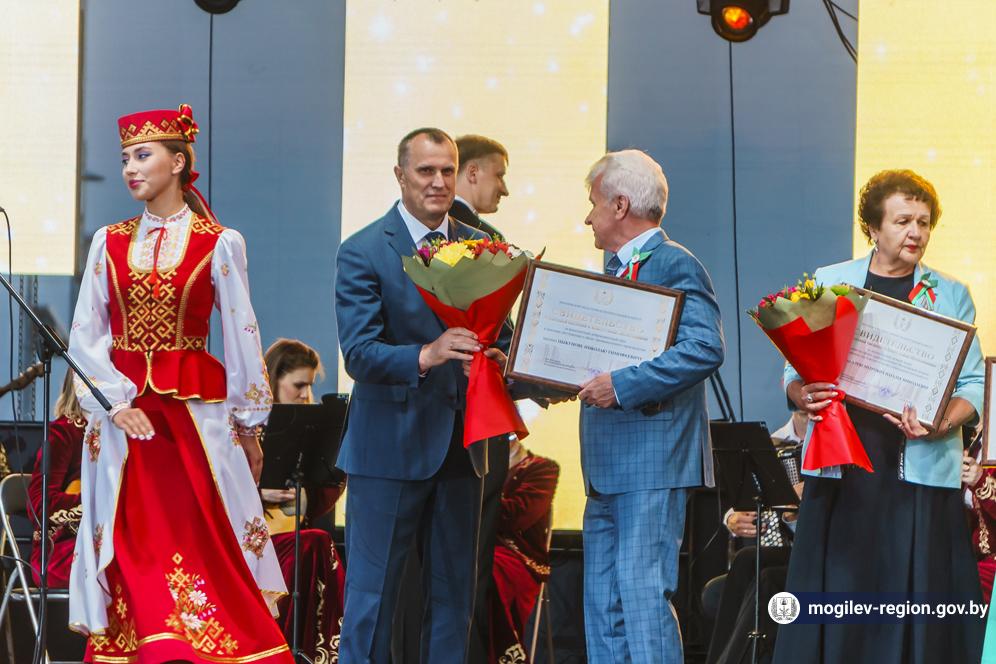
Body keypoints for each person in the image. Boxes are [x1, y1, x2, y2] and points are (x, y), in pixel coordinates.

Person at [67, 104, 291, 662]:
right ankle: (141, 648)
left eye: (143, 155)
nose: (130, 168)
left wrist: (248, 427)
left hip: (192, 420)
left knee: (200, 537)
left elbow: (241, 334)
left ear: (178, 161)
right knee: (130, 539)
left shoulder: (220, 242)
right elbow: (85, 333)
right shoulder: (108, 241)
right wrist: (113, 403)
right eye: (125, 158)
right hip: (124, 422)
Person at [772, 169, 986, 663]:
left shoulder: (951, 293)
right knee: (842, 591)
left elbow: (974, 384)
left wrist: (941, 422)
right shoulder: (831, 281)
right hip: (844, 462)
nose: (916, 232)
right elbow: (793, 369)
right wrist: (803, 394)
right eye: (903, 221)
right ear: (873, 227)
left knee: (916, 601)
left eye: (924, 223)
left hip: (919, 466)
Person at [334, 127, 512, 664]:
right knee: (372, 600)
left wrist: (501, 360)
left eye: (447, 171)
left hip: (465, 448)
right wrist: (427, 354)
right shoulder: (363, 249)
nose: (438, 182)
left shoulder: (484, 246)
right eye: (425, 171)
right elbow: (359, 354)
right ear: (400, 175)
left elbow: (504, 338)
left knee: (456, 600)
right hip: (388, 449)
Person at [574, 149, 725, 663]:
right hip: (606, 464)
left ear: (619, 205)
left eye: (593, 204)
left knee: (641, 601)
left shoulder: (674, 262)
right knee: (603, 607)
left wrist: (621, 386)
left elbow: (704, 348)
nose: (588, 217)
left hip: (652, 460)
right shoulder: (612, 271)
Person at [451, 132, 512, 662]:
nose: (504, 189)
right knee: (465, 563)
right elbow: (502, 338)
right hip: (473, 424)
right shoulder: (480, 240)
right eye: (499, 174)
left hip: (434, 426)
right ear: (471, 173)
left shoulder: (420, 235)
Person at [262, 338, 346, 661]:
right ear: (274, 380)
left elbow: (330, 480)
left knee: (313, 543)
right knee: (313, 544)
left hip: (293, 538)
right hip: (252, 543)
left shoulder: (312, 428)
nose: (305, 394)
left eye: (309, 386)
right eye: (298, 385)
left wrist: (306, 498)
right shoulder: (244, 426)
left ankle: (314, 651)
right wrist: (258, 494)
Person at [489, 438, 559, 663]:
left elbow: (516, 517)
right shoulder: (470, 469)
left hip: (517, 557)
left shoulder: (541, 469)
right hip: (474, 552)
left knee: (486, 573)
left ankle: (505, 656)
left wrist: (482, 491)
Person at [29, 370, 86, 589]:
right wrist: (98, 503)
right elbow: (39, 505)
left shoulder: (119, 435)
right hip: (60, 551)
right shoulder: (63, 433)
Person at [450, 134, 509, 241]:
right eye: (499, 176)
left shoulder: (425, 222)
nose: (505, 191)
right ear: (473, 173)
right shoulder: (487, 239)